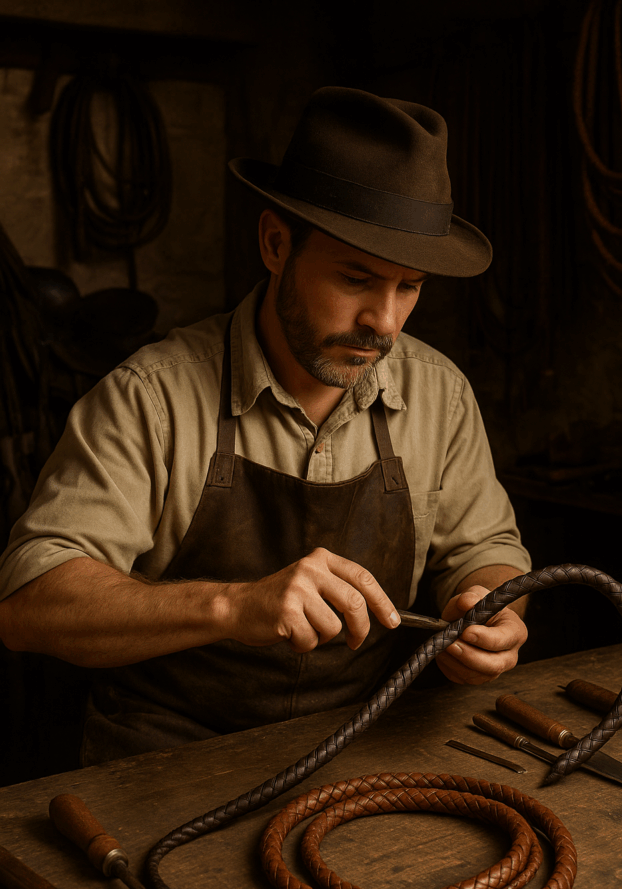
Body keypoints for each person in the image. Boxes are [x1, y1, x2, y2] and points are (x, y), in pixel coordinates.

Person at [0, 87, 531, 764]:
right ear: (276, 244)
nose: (386, 322)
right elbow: (28, 602)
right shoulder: (149, 397)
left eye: (410, 287)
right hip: (163, 759)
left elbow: (486, 546)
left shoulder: (439, 394)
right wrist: (232, 606)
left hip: (361, 746)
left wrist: (491, 610)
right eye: (356, 279)